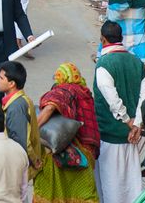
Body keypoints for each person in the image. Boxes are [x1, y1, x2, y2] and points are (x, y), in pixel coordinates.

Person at [93, 20, 145, 203]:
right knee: (131, 184)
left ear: (103, 40)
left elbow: (113, 101)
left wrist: (128, 122)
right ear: (121, 38)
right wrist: (137, 125)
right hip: (132, 137)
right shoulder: (137, 62)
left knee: (111, 186)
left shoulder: (104, 64)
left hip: (110, 134)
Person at [32, 62, 101, 203]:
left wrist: (32, 129)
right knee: (83, 193)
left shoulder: (64, 90)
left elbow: (51, 107)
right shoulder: (84, 92)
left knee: (51, 190)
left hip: (71, 151)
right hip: (86, 153)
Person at [0, 60, 42, 194]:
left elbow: (22, 140)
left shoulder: (16, 107)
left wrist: (35, 161)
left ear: (12, 84)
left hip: (16, 167)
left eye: (1, 78)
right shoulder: (21, 99)